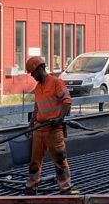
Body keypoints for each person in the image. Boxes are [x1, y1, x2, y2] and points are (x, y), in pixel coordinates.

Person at [25, 55, 73, 193]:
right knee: (34, 161)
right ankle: (32, 185)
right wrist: (31, 124)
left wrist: (60, 118)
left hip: (53, 129)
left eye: (33, 73)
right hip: (39, 129)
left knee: (59, 159)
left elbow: (67, 101)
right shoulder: (38, 87)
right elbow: (36, 108)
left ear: (39, 69)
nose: (32, 76)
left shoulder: (56, 82)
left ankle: (65, 186)